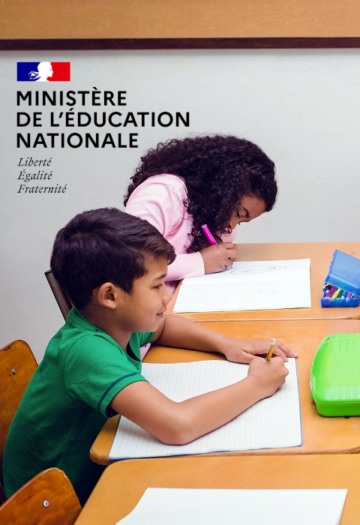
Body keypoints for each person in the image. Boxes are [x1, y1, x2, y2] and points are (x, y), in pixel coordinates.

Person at [3, 209, 295, 503]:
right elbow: (177, 426)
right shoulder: (85, 350)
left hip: (87, 471)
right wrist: (257, 385)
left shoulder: (114, 321)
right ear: (110, 296)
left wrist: (227, 344)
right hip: (48, 502)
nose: (167, 296)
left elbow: (162, 326)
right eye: (156, 286)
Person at [124, 135, 277, 292]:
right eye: (238, 213)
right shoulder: (161, 194)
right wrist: (201, 262)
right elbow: (130, 263)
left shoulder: (206, 209)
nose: (231, 227)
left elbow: (221, 241)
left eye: (241, 222)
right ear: (222, 188)